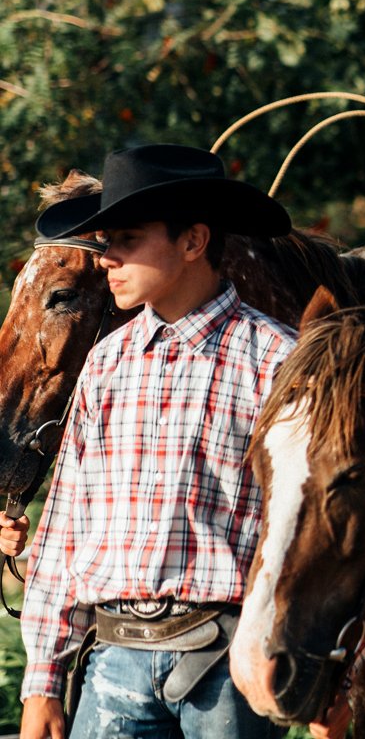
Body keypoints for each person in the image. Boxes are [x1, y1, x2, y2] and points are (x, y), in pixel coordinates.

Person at [17, 144, 297, 739]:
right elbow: (66, 527)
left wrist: (332, 674)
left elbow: (323, 528)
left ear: (193, 241)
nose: (107, 259)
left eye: (126, 239)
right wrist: (43, 679)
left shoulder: (278, 362)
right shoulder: (105, 365)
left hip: (230, 664)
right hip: (113, 659)